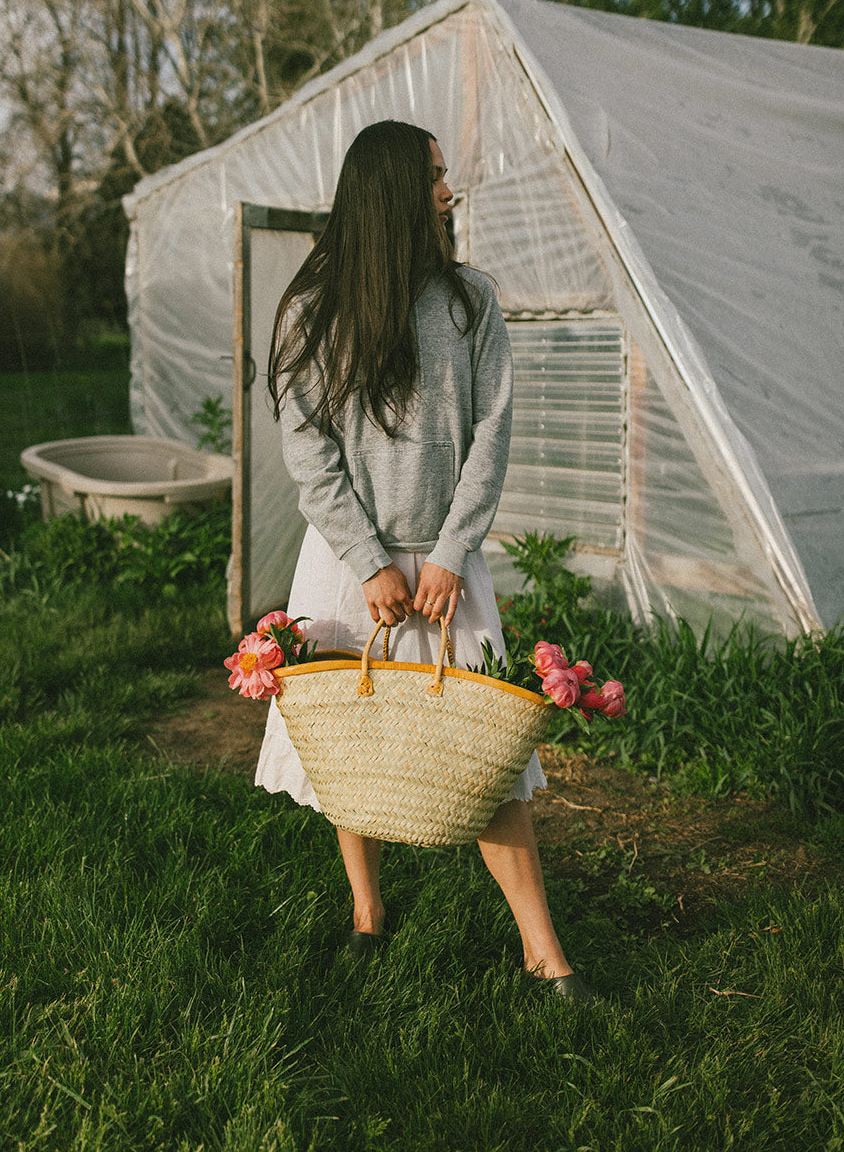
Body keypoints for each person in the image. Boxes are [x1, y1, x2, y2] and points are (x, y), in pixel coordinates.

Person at [254, 119, 595, 1003]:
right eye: (435, 175)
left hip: (448, 567)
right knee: (345, 743)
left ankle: (545, 954)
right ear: (391, 189)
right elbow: (309, 454)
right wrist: (370, 562)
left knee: (491, 760)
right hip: (345, 564)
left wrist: (449, 552)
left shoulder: (470, 303)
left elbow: (492, 435)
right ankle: (368, 914)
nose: (449, 190)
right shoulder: (315, 310)